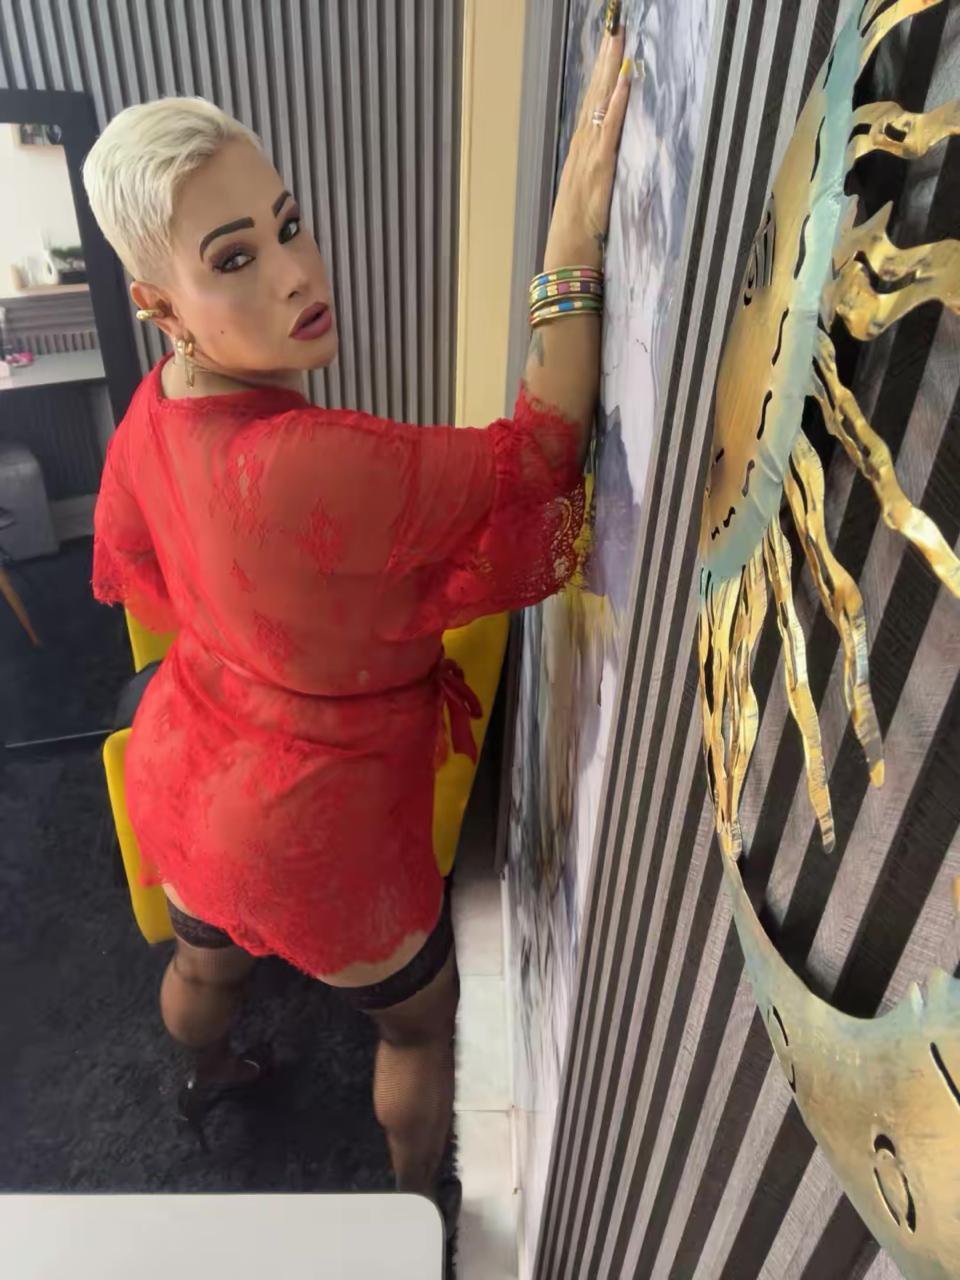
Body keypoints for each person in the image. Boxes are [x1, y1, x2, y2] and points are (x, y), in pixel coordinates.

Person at [84, 16, 631, 1236]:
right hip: (315, 823)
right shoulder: (316, 461)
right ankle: (410, 1207)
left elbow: (137, 559)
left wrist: (260, 625)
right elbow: (541, 456)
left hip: (184, 767)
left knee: (202, 959)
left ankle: (202, 1073)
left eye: (288, 225)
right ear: (160, 303)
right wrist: (569, 242)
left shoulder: (154, 405)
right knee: (418, 1022)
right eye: (235, 258)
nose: (295, 274)